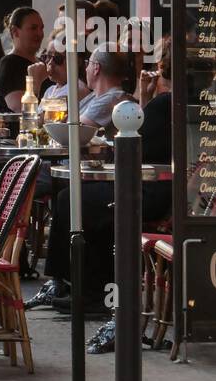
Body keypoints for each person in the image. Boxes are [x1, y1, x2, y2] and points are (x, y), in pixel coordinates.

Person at [32, 45, 168, 313]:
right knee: (72, 196)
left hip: (149, 190)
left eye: (157, 64)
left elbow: (135, 147)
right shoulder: (158, 102)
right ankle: (71, 282)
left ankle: (86, 289)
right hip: (140, 184)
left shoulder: (162, 104)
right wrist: (146, 97)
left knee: (75, 199)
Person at [0, 6, 45, 113]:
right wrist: (35, 85)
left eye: (41, 28)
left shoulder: (42, 62)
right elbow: (19, 110)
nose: (40, 33)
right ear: (15, 31)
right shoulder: (10, 64)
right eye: (33, 28)